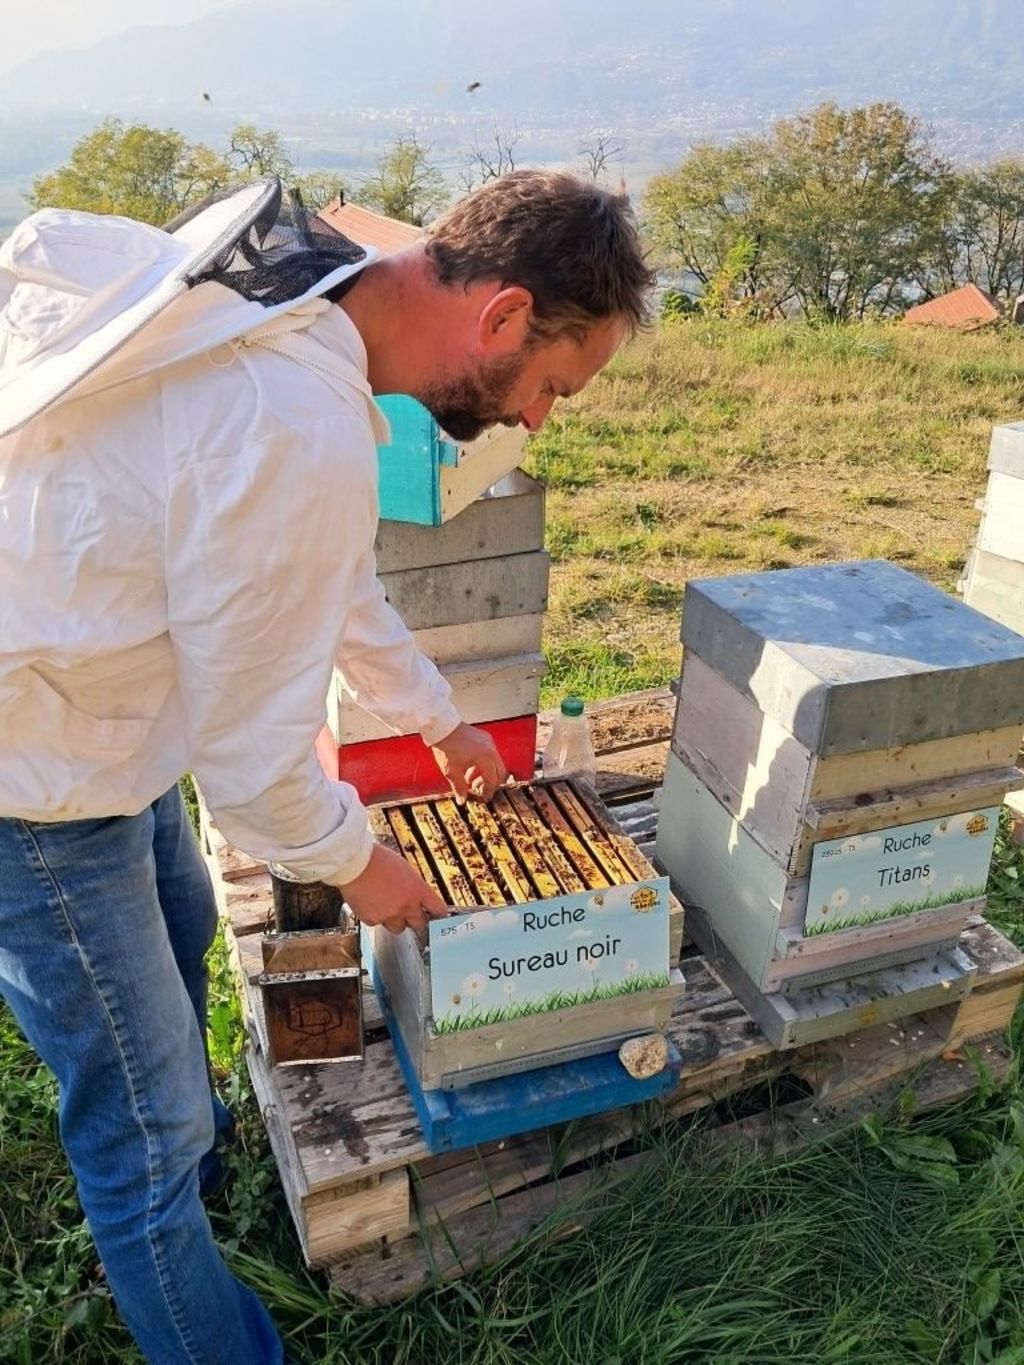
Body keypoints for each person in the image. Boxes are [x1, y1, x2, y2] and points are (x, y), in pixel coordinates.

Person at [0, 168, 653, 1363]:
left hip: (99, 709)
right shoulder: (293, 419)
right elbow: (255, 776)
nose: (538, 421)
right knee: (140, 1131)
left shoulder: (306, 289)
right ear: (504, 315)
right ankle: (175, 1213)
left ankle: (204, 1175)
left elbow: (325, 574)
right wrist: (366, 868)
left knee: (183, 920)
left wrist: (440, 722)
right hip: (34, 773)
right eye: (553, 387)